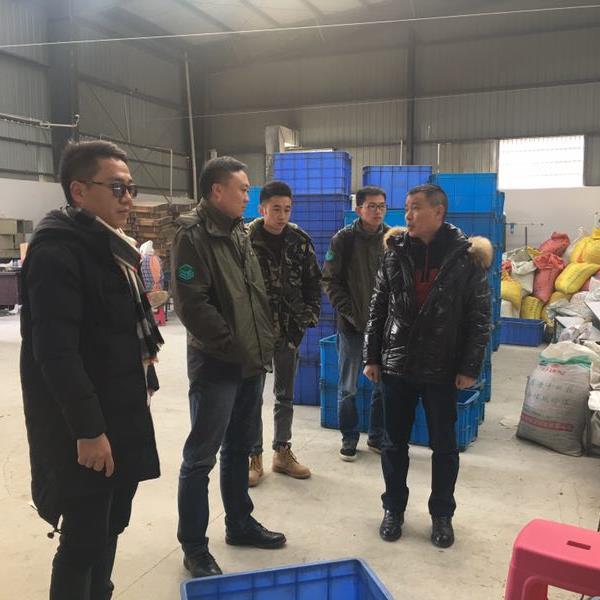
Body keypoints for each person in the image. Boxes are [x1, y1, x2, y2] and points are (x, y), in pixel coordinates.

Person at [20, 140, 163, 600]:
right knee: (82, 540)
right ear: (79, 190)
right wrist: (88, 430)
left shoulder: (109, 247)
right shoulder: (57, 251)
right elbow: (55, 353)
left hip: (118, 409)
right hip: (82, 425)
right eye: (117, 188)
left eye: (131, 188)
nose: (128, 198)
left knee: (111, 523)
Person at [171, 156, 285, 579]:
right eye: (242, 188)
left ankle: (239, 523)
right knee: (200, 458)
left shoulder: (238, 230)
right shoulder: (192, 235)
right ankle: (194, 546)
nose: (247, 195)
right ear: (217, 190)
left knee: (239, 448)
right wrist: (233, 347)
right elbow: (192, 304)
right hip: (217, 364)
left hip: (250, 361)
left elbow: (252, 295)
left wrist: (260, 344)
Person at [363, 183, 492, 548]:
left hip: (442, 367)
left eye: (415, 207)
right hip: (397, 365)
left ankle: (442, 515)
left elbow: (479, 318)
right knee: (393, 444)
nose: (408, 215)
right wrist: (372, 356)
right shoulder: (395, 253)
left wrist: (469, 367)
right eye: (406, 207)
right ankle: (393, 509)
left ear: (438, 212)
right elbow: (378, 307)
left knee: (444, 447)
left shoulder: (465, 258)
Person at [247, 181, 321, 486]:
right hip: (255, 331)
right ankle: (254, 455)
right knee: (253, 397)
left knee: (285, 396)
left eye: (287, 209)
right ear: (262, 209)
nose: (282, 215)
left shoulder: (299, 240)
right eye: (275, 209)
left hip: (289, 330)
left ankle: (282, 452)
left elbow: (313, 282)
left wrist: (306, 319)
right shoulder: (245, 239)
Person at [322, 186, 389, 461]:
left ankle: (377, 436)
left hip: (384, 329)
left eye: (381, 206)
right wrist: (350, 313)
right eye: (371, 206)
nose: (377, 211)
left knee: (382, 386)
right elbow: (330, 280)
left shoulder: (392, 239)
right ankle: (349, 438)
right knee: (348, 386)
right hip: (351, 327)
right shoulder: (343, 240)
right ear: (358, 208)